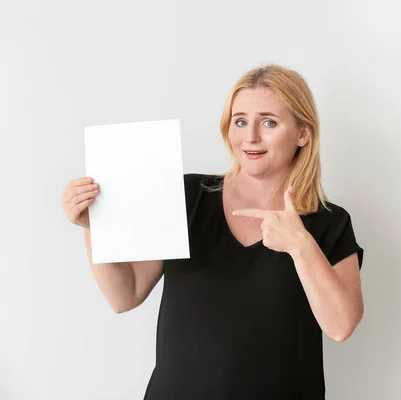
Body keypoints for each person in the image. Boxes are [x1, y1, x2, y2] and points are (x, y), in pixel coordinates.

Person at [61, 64, 364, 399]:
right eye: (240, 121)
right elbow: (124, 295)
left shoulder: (328, 222)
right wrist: (94, 227)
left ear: (303, 134)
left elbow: (340, 326)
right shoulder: (188, 197)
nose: (250, 137)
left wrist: (302, 247)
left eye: (269, 122)